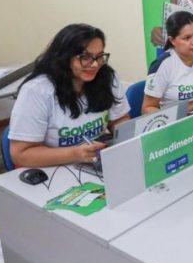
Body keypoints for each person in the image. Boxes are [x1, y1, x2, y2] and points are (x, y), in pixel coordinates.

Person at [8, 24, 130, 167]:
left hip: (94, 161)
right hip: (54, 167)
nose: (95, 64)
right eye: (85, 57)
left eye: (99, 56)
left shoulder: (106, 77)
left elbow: (120, 119)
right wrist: (76, 154)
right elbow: (21, 154)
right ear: (64, 57)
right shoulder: (37, 90)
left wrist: (128, 139)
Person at [142, 11, 193, 113]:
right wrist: (179, 116)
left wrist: (191, 106)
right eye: (187, 38)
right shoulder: (162, 65)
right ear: (172, 40)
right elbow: (147, 108)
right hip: (178, 120)